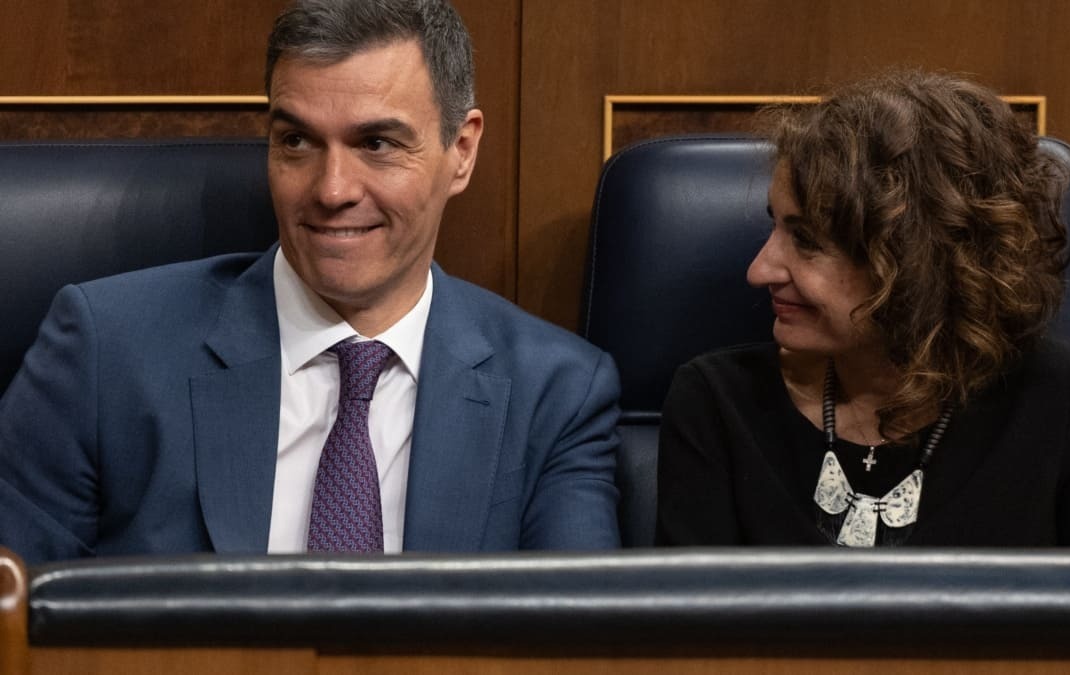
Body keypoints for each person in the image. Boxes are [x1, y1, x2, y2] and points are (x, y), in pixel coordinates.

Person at [0, 0, 621, 564]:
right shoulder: (106, 351)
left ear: (461, 150)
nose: (331, 191)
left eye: (376, 143)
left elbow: (579, 647)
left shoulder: (556, 393)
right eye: (296, 141)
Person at [656, 70, 1070, 547]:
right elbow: (686, 638)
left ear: (917, 260)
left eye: (806, 240)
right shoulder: (717, 403)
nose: (759, 269)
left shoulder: (1059, 394)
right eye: (776, 227)